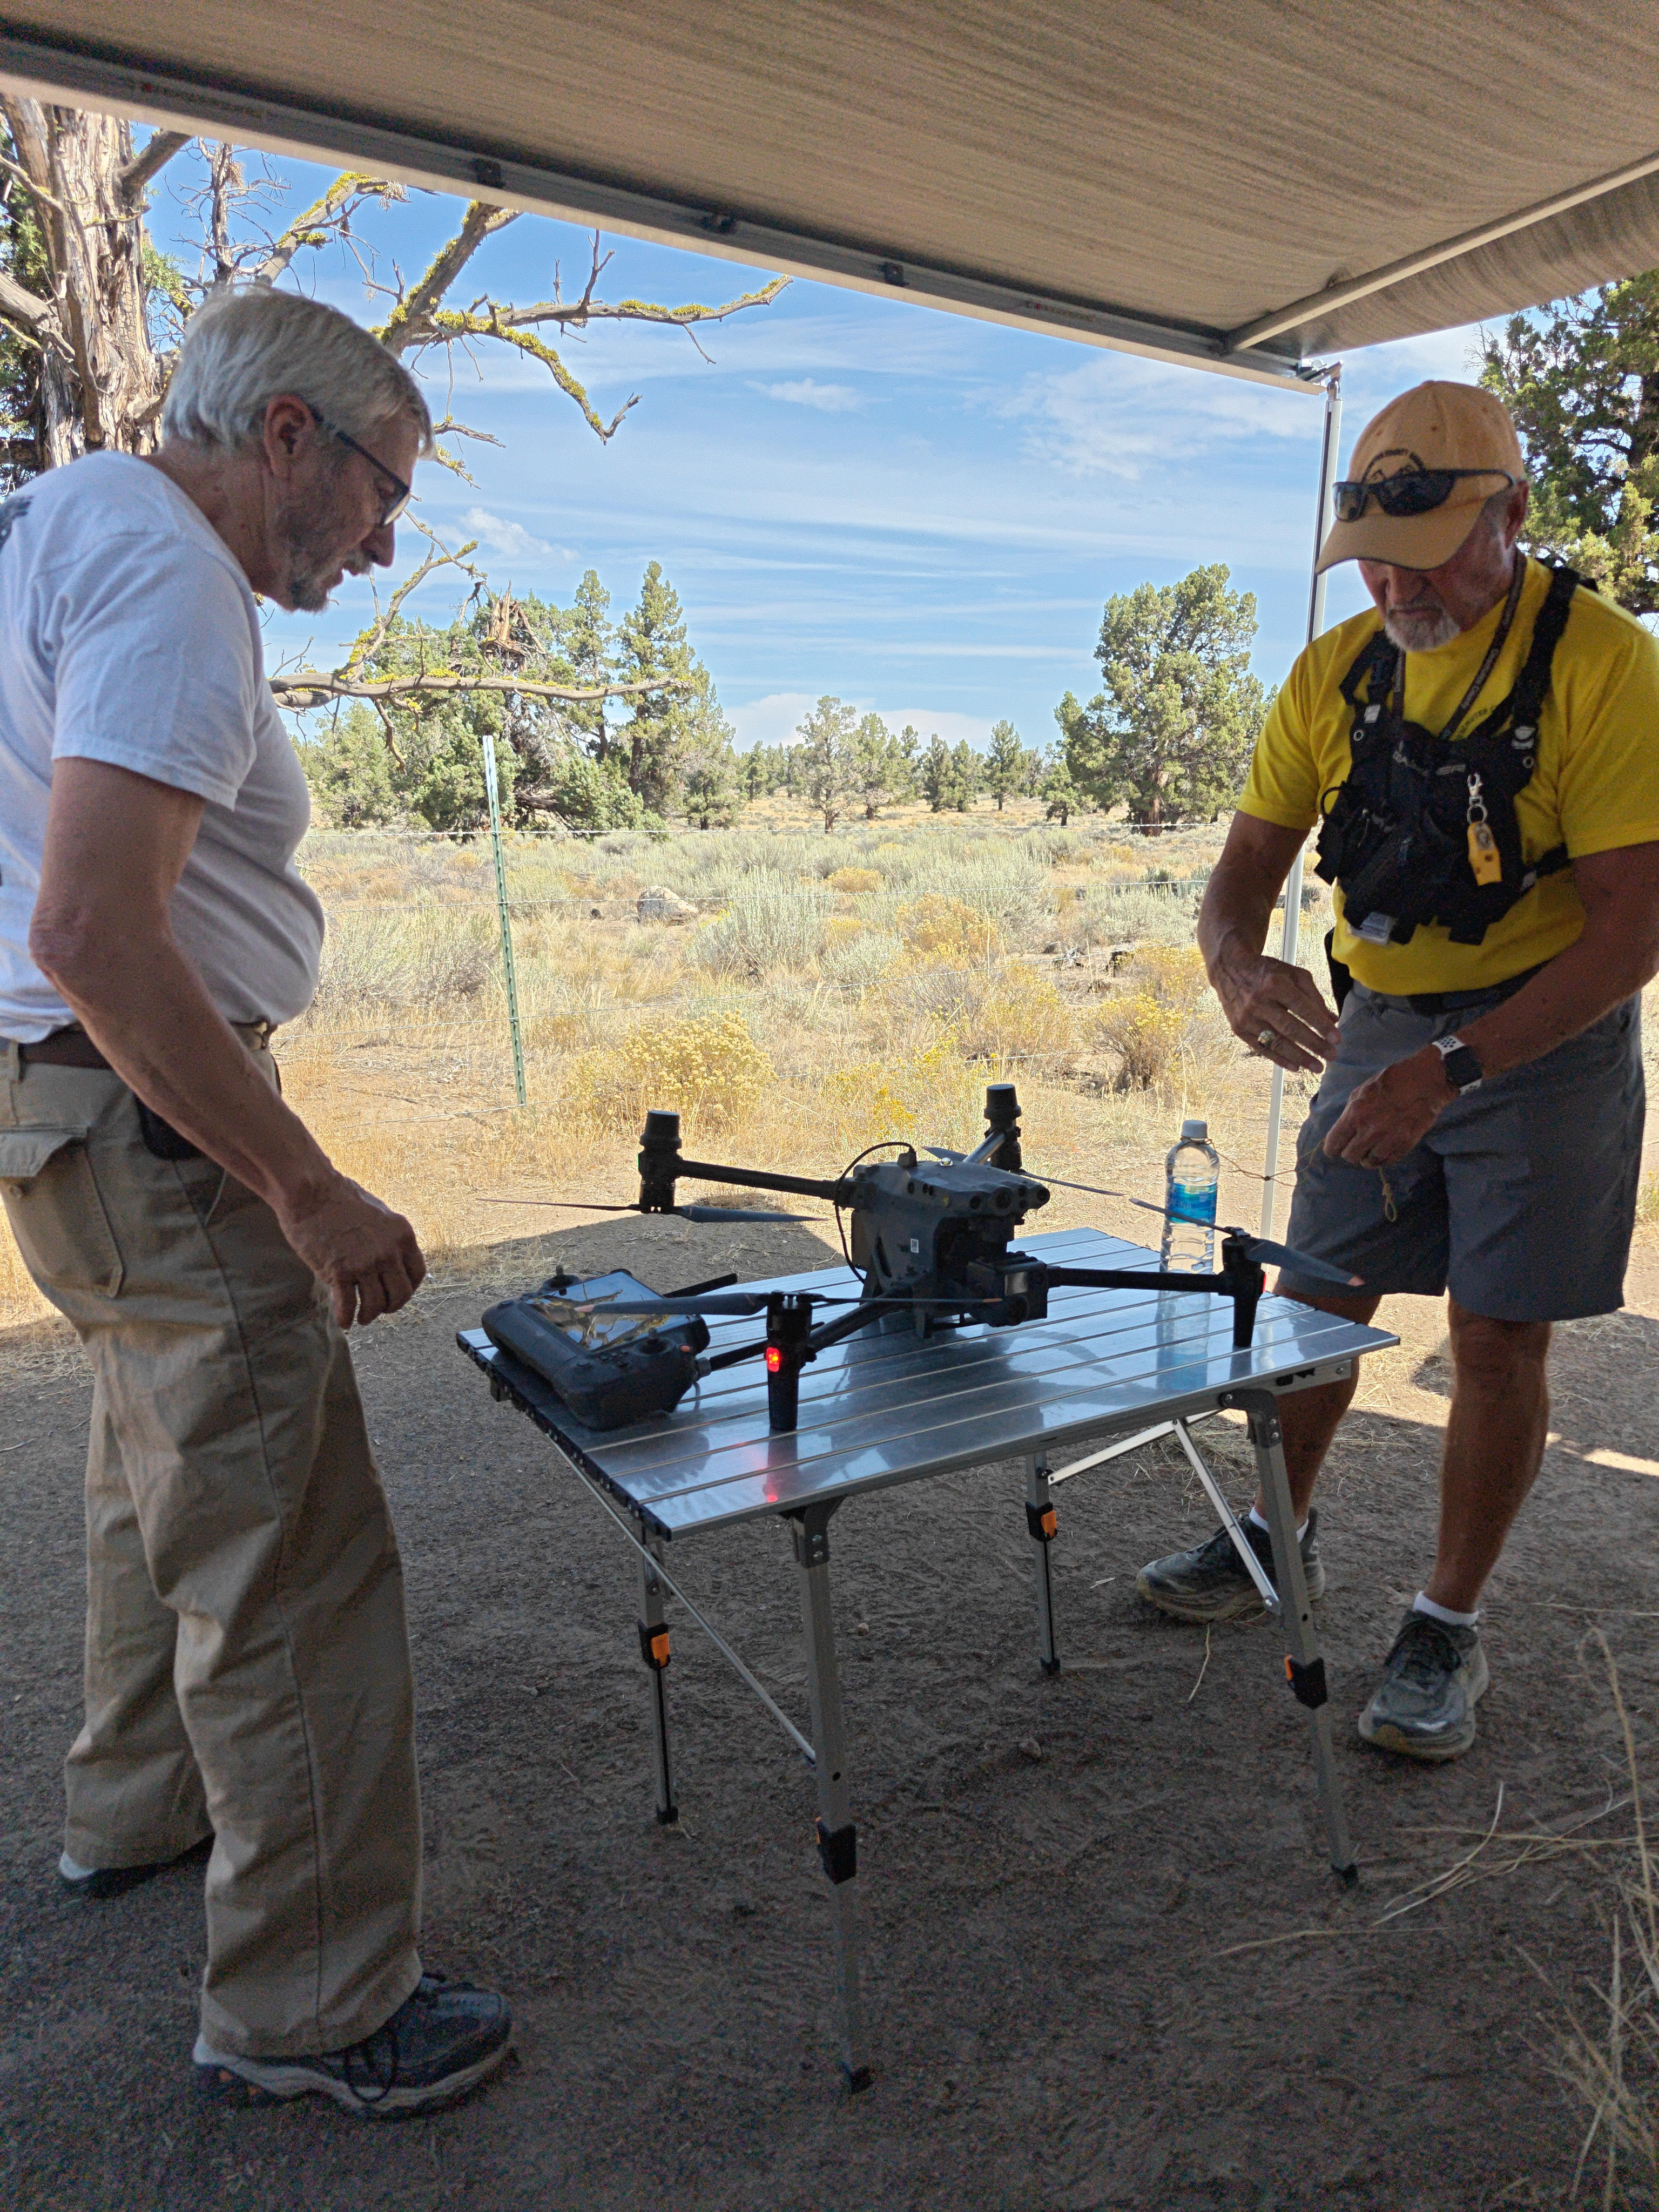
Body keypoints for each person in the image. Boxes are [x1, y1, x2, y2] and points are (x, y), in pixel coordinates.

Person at [0, 286, 511, 2112]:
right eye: (382, 494)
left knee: (159, 1475)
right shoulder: (172, 581)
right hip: (155, 1125)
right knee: (287, 1553)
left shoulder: (64, 519)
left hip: (69, 1117)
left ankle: (131, 1807)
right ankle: (310, 1999)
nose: (382, 543)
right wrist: (302, 1184)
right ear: (286, 436)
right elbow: (87, 928)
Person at [1135, 380, 1659, 1760]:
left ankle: (1444, 1623)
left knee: (1495, 1332)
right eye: (1371, 551)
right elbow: (1243, 871)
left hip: (1544, 1035)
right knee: (1315, 1296)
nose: (1393, 579)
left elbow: (1636, 925)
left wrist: (1456, 1065)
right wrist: (1238, 968)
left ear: (1514, 514)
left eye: (1423, 547)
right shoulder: (1336, 671)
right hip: (1385, 1019)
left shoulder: (1604, 664)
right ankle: (1270, 1531)